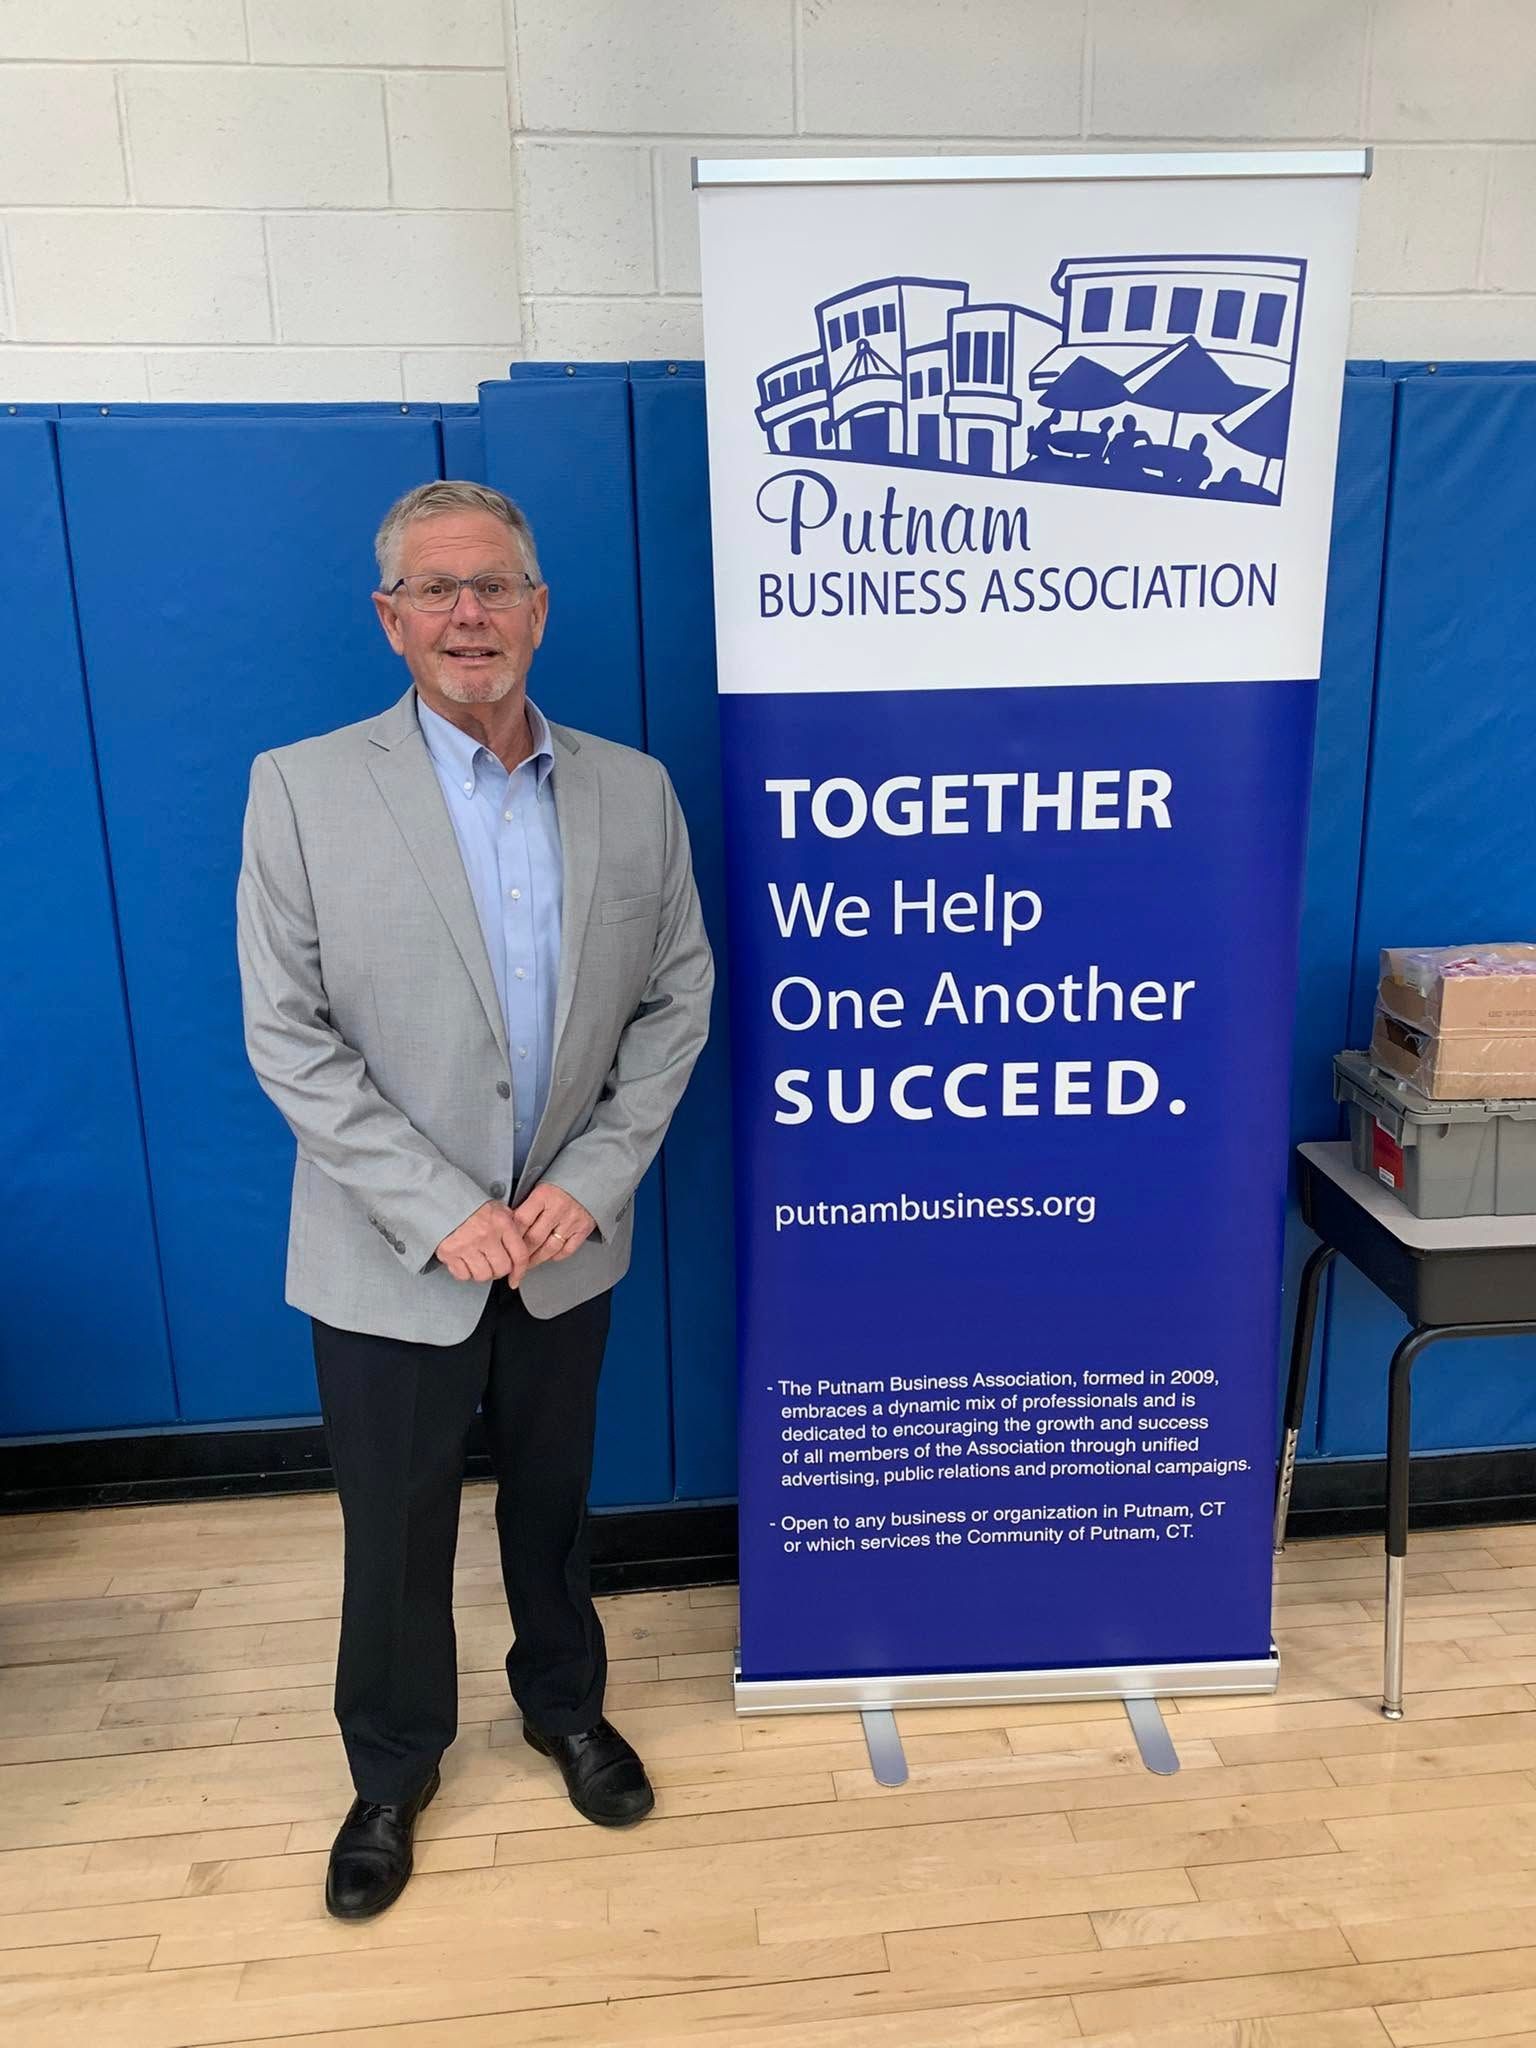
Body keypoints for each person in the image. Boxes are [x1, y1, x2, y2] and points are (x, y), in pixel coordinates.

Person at [235, 480, 713, 1920]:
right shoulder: (303, 788)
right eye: (436, 591)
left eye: (493, 586)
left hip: (568, 1242)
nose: (467, 615)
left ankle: (565, 1706)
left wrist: (594, 1177)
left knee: (555, 1506)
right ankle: (390, 1770)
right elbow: (288, 1033)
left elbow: (679, 1000)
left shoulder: (633, 791)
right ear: (391, 621)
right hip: (394, 1255)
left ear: (538, 607)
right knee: (395, 1524)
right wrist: (442, 1208)